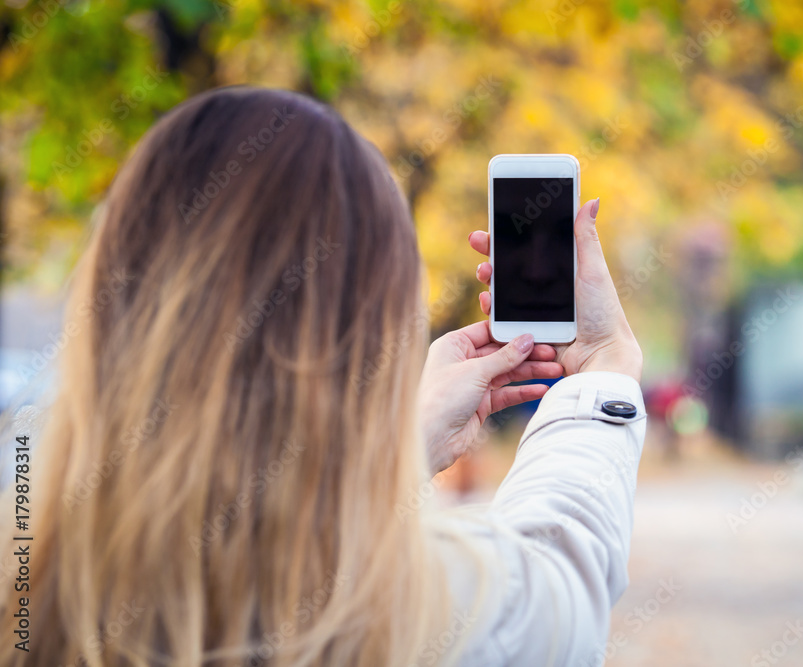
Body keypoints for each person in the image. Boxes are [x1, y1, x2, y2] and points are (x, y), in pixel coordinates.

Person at [0, 87, 645, 666]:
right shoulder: (410, 610)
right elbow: (564, 575)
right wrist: (604, 367)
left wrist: (403, 443)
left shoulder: (28, 584)